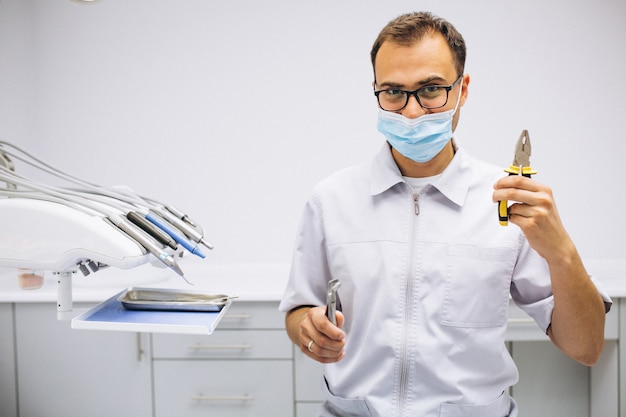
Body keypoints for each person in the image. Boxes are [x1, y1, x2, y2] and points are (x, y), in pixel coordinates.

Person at [279, 11, 611, 417]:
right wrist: (307, 328)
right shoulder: (330, 200)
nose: (413, 112)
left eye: (431, 89)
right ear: (376, 91)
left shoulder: (507, 202)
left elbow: (587, 347)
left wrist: (562, 253)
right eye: (393, 92)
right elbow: (299, 308)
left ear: (462, 89)